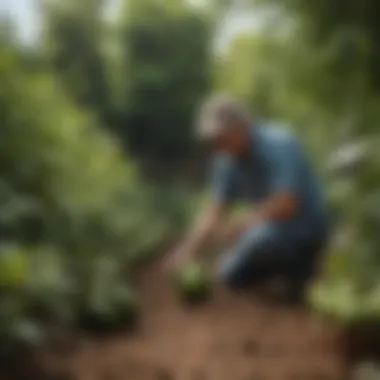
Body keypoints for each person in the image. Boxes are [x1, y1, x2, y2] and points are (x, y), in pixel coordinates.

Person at [165, 94, 330, 302]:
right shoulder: (225, 160)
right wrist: (187, 250)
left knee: (260, 240)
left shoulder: (280, 143)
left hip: (304, 226)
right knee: (229, 275)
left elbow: (288, 204)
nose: (216, 146)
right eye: (212, 140)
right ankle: (277, 273)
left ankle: (304, 271)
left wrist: (242, 224)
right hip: (268, 229)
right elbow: (215, 211)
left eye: (220, 138)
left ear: (242, 128)